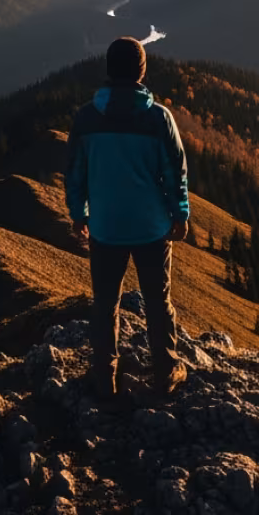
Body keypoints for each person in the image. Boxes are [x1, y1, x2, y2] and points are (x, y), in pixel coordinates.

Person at [65, 36, 190, 399]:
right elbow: (175, 171)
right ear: (142, 70)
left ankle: (106, 380)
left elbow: (75, 173)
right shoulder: (158, 118)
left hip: (105, 228)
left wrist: (78, 215)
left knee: (105, 304)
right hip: (152, 229)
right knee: (158, 301)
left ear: (108, 70)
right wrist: (179, 214)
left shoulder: (86, 118)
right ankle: (166, 372)